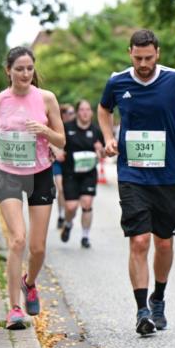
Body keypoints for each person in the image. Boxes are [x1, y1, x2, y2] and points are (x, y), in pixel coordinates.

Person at [98, 30, 175, 336]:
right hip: (132, 174)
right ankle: (142, 310)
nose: (143, 63)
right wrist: (108, 138)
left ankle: (158, 297)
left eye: (148, 57)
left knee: (163, 242)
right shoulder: (117, 81)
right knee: (140, 240)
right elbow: (104, 109)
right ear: (129, 52)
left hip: (168, 174)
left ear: (157, 53)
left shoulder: (174, 79)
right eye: (137, 57)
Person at [0, 47, 66, 329]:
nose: (25, 74)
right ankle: (13, 309)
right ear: (8, 71)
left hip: (41, 174)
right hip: (8, 173)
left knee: (37, 249)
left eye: (29, 68)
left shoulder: (46, 99)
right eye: (19, 69)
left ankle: (30, 283)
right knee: (17, 240)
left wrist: (45, 131)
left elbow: (61, 141)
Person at [59, 99, 104, 248]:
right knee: (71, 207)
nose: (85, 113)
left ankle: (85, 236)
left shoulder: (96, 131)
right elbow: (56, 144)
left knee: (87, 203)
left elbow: (104, 153)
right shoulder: (67, 128)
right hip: (70, 173)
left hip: (88, 174)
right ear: (77, 112)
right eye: (82, 110)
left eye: (88, 110)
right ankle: (68, 223)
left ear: (91, 113)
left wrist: (100, 151)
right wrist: (58, 151)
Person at [52, 103, 76, 229]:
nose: (73, 116)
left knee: (72, 193)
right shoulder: (57, 125)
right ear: (64, 114)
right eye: (70, 113)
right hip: (58, 163)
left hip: (71, 164)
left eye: (74, 113)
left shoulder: (75, 127)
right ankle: (61, 216)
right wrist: (56, 152)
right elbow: (50, 140)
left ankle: (68, 216)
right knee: (61, 189)